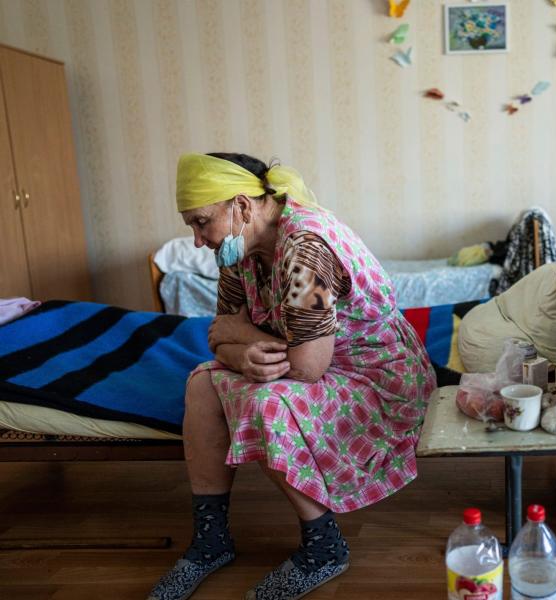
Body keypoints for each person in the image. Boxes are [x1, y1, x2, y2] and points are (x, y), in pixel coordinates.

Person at [147, 153, 436, 600]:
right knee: (202, 384)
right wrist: (242, 355)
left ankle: (323, 548)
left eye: (201, 222)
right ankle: (210, 543)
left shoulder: (305, 250)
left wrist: (241, 336)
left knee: (268, 401)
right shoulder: (238, 250)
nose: (198, 240)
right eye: (192, 225)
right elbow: (217, 338)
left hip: (378, 379)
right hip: (318, 361)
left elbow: (305, 367)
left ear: (242, 206)